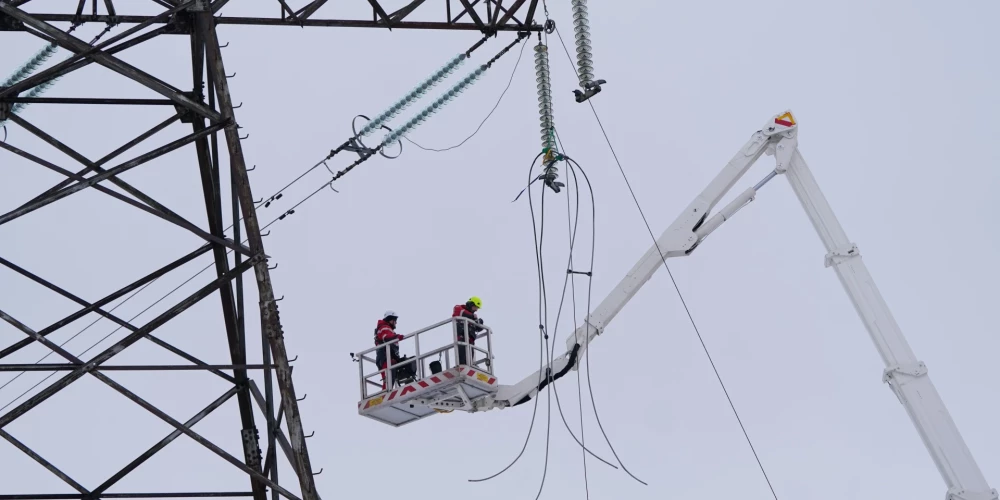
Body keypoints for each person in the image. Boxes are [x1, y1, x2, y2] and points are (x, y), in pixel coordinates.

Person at [373, 310, 415, 389]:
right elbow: (387, 338)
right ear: (390, 319)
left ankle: (408, 382)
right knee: (388, 379)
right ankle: (384, 397)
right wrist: (397, 337)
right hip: (385, 358)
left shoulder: (387, 328)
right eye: (395, 320)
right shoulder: (384, 327)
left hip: (388, 358)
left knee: (390, 378)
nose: (396, 323)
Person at [452, 296, 485, 366]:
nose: (476, 310)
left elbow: (477, 328)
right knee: (462, 360)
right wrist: (473, 317)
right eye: (475, 307)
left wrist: (480, 323)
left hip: (470, 341)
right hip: (462, 339)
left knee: (470, 361)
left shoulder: (471, 318)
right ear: (471, 304)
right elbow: (460, 312)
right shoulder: (459, 308)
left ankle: (471, 364)